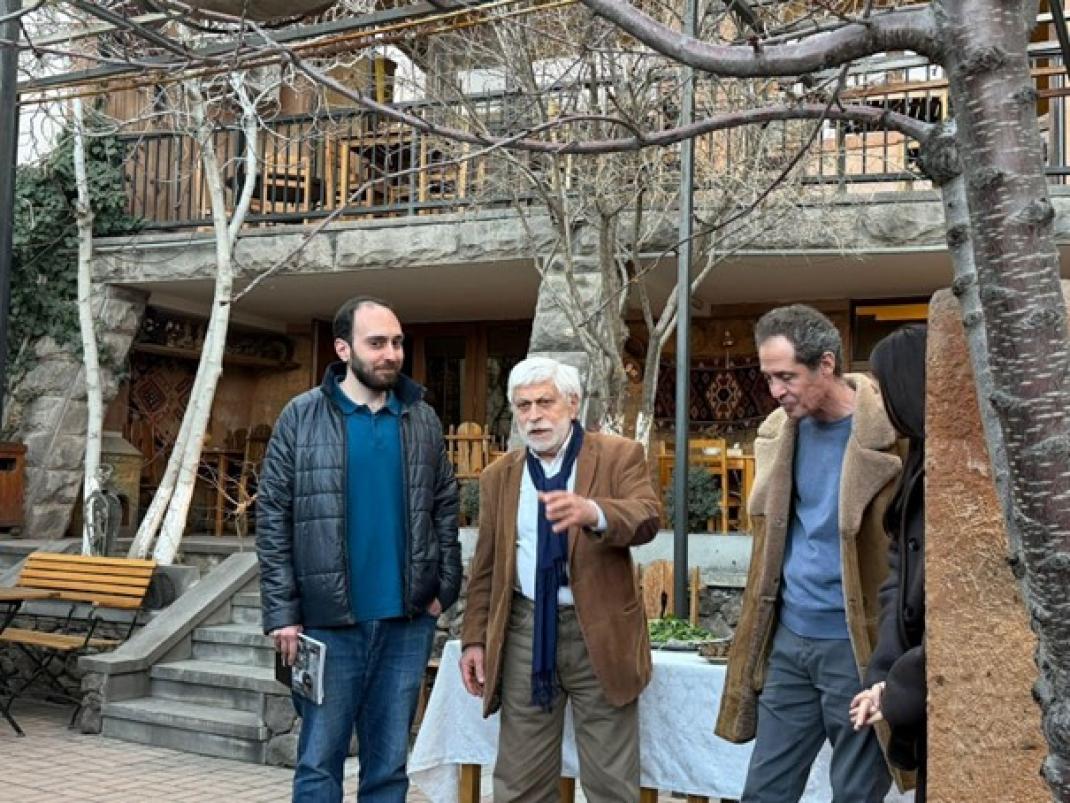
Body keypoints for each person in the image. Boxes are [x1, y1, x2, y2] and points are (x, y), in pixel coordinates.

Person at [256, 296, 462, 802]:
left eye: (397, 342)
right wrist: (283, 613)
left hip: (406, 623)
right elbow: (272, 518)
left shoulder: (421, 418)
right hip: (326, 625)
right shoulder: (300, 417)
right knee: (318, 763)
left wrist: (445, 587)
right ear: (343, 348)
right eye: (377, 343)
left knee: (389, 767)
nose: (391, 354)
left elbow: (445, 505)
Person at [716, 304, 902, 802]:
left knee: (856, 793)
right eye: (769, 378)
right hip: (789, 641)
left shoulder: (892, 433)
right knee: (764, 791)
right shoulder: (777, 433)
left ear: (826, 364)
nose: (776, 390)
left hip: (857, 644)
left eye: (786, 376)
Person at [459, 356, 661, 803]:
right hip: (526, 631)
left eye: (544, 402)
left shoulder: (618, 455)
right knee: (520, 783)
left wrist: (595, 512)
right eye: (523, 406)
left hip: (601, 632)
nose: (534, 416)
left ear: (572, 403)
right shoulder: (499, 476)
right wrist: (474, 639)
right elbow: (486, 567)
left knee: (611, 784)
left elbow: (647, 516)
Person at [850, 324, 928, 801]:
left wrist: (900, 686)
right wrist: (882, 675)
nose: (874, 404)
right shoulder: (918, 459)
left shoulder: (952, 471)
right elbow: (898, 583)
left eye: (879, 390)